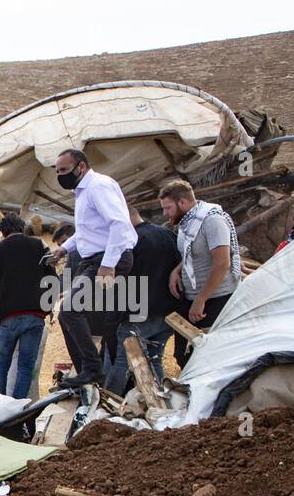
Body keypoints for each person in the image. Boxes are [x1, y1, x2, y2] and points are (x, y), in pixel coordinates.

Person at [50, 149, 137, 386]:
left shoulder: (98, 186)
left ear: (81, 166)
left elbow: (119, 224)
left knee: (70, 310)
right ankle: (85, 371)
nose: (61, 176)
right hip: (93, 261)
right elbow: (88, 231)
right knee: (67, 314)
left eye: (64, 170)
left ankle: (92, 371)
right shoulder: (83, 192)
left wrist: (108, 265)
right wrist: (63, 249)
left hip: (106, 260)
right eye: (58, 172)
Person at [159, 179, 243, 367]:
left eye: (168, 208)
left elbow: (222, 263)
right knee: (182, 355)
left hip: (217, 298)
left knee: (210, 357)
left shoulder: (212, 221)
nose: (165, 214)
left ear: (182, 202)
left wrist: (202, 299)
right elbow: (193, 252)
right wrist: (177, 270)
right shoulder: (186, 223)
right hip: (191, 295)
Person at [103, 206, 181, 394]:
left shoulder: (130, 241)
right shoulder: (167, 234)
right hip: (168, 312)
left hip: (138, 313)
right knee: (155, 359)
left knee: (122, 360)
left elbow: (122, 278)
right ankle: (162, 400)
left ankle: (108, 404)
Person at [0, 213, 51, 399]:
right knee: (25, 367)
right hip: (35, 315)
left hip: (8, 316)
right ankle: (18, 407)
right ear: (23, 228)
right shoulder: (39, 245)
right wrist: (48, 307)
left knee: (2, 366)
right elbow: (51, 278)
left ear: (1, 231)